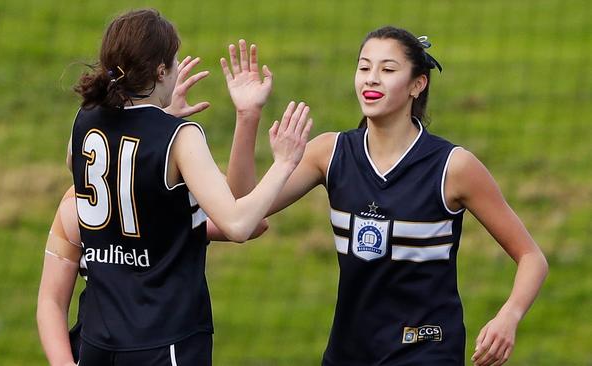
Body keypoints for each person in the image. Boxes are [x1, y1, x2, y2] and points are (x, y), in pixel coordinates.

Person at [224, 26, 548, 366]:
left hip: (426, 350)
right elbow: (241, 208)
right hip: (348, 354)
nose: (371, 79)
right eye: (364, 67)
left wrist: (508, 317)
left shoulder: (454, 167)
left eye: (387, 69)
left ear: (417, 84)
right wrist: (248, 117)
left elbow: (531, 256)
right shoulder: (330, 152)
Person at [38, 8, 312, 366]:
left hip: (97, 341)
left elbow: (120, 171)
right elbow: (241, 223)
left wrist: (160, 118)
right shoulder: (181, 138)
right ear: (161, 70)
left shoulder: (84, 120)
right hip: (163, 343)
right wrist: (284, 164)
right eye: (176, 58)